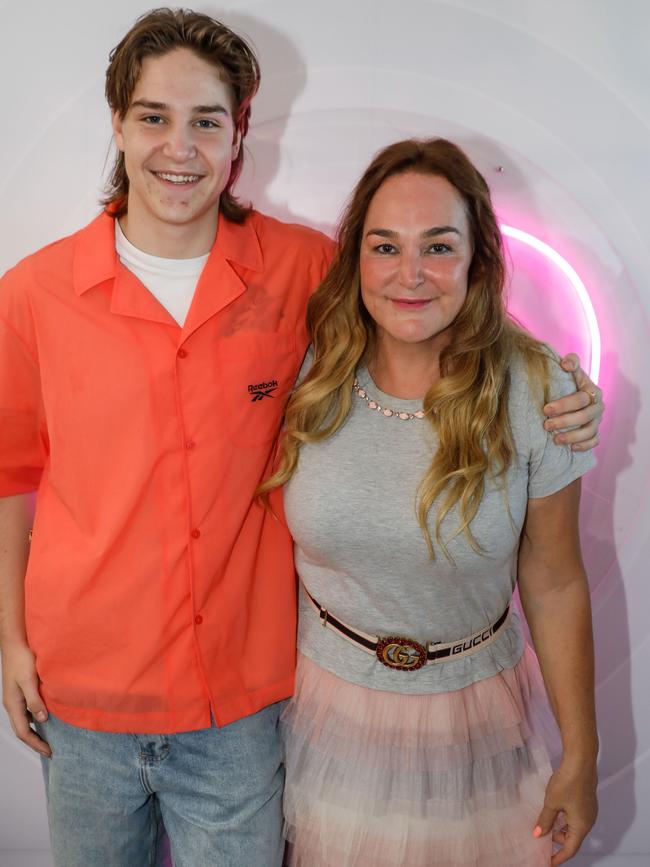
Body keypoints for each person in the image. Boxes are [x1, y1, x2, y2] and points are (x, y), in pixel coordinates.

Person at [0, 9, 600, 867]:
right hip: (83, 701)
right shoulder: (30, 295)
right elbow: (11, 476)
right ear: (119, 125)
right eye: (153, 117)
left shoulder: (304, 269)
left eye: (207, 120)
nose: (180, 146)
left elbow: (424, 298)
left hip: (244, 709)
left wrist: (563, 386)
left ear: (239, 132)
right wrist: (11, 639)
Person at [261, 138, 599, 867]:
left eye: (438, 246)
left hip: (476, 724)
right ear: (356, 258)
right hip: (321, 715)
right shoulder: (305, 369)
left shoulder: (540, 391)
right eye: (385, 246)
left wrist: (582, 752)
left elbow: (556, 579)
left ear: (479, 259)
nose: (410, 275)